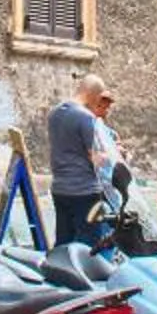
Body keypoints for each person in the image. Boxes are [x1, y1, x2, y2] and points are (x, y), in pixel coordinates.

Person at [46, 73, 111, 248]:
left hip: (60, 188)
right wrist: (112, 154)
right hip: (85, 191)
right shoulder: (85, 117)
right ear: (94, 95)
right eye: (98, 100)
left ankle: (60, 274)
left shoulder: (54, 113)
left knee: (63, 243)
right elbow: (95, 158)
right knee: (88, 247)